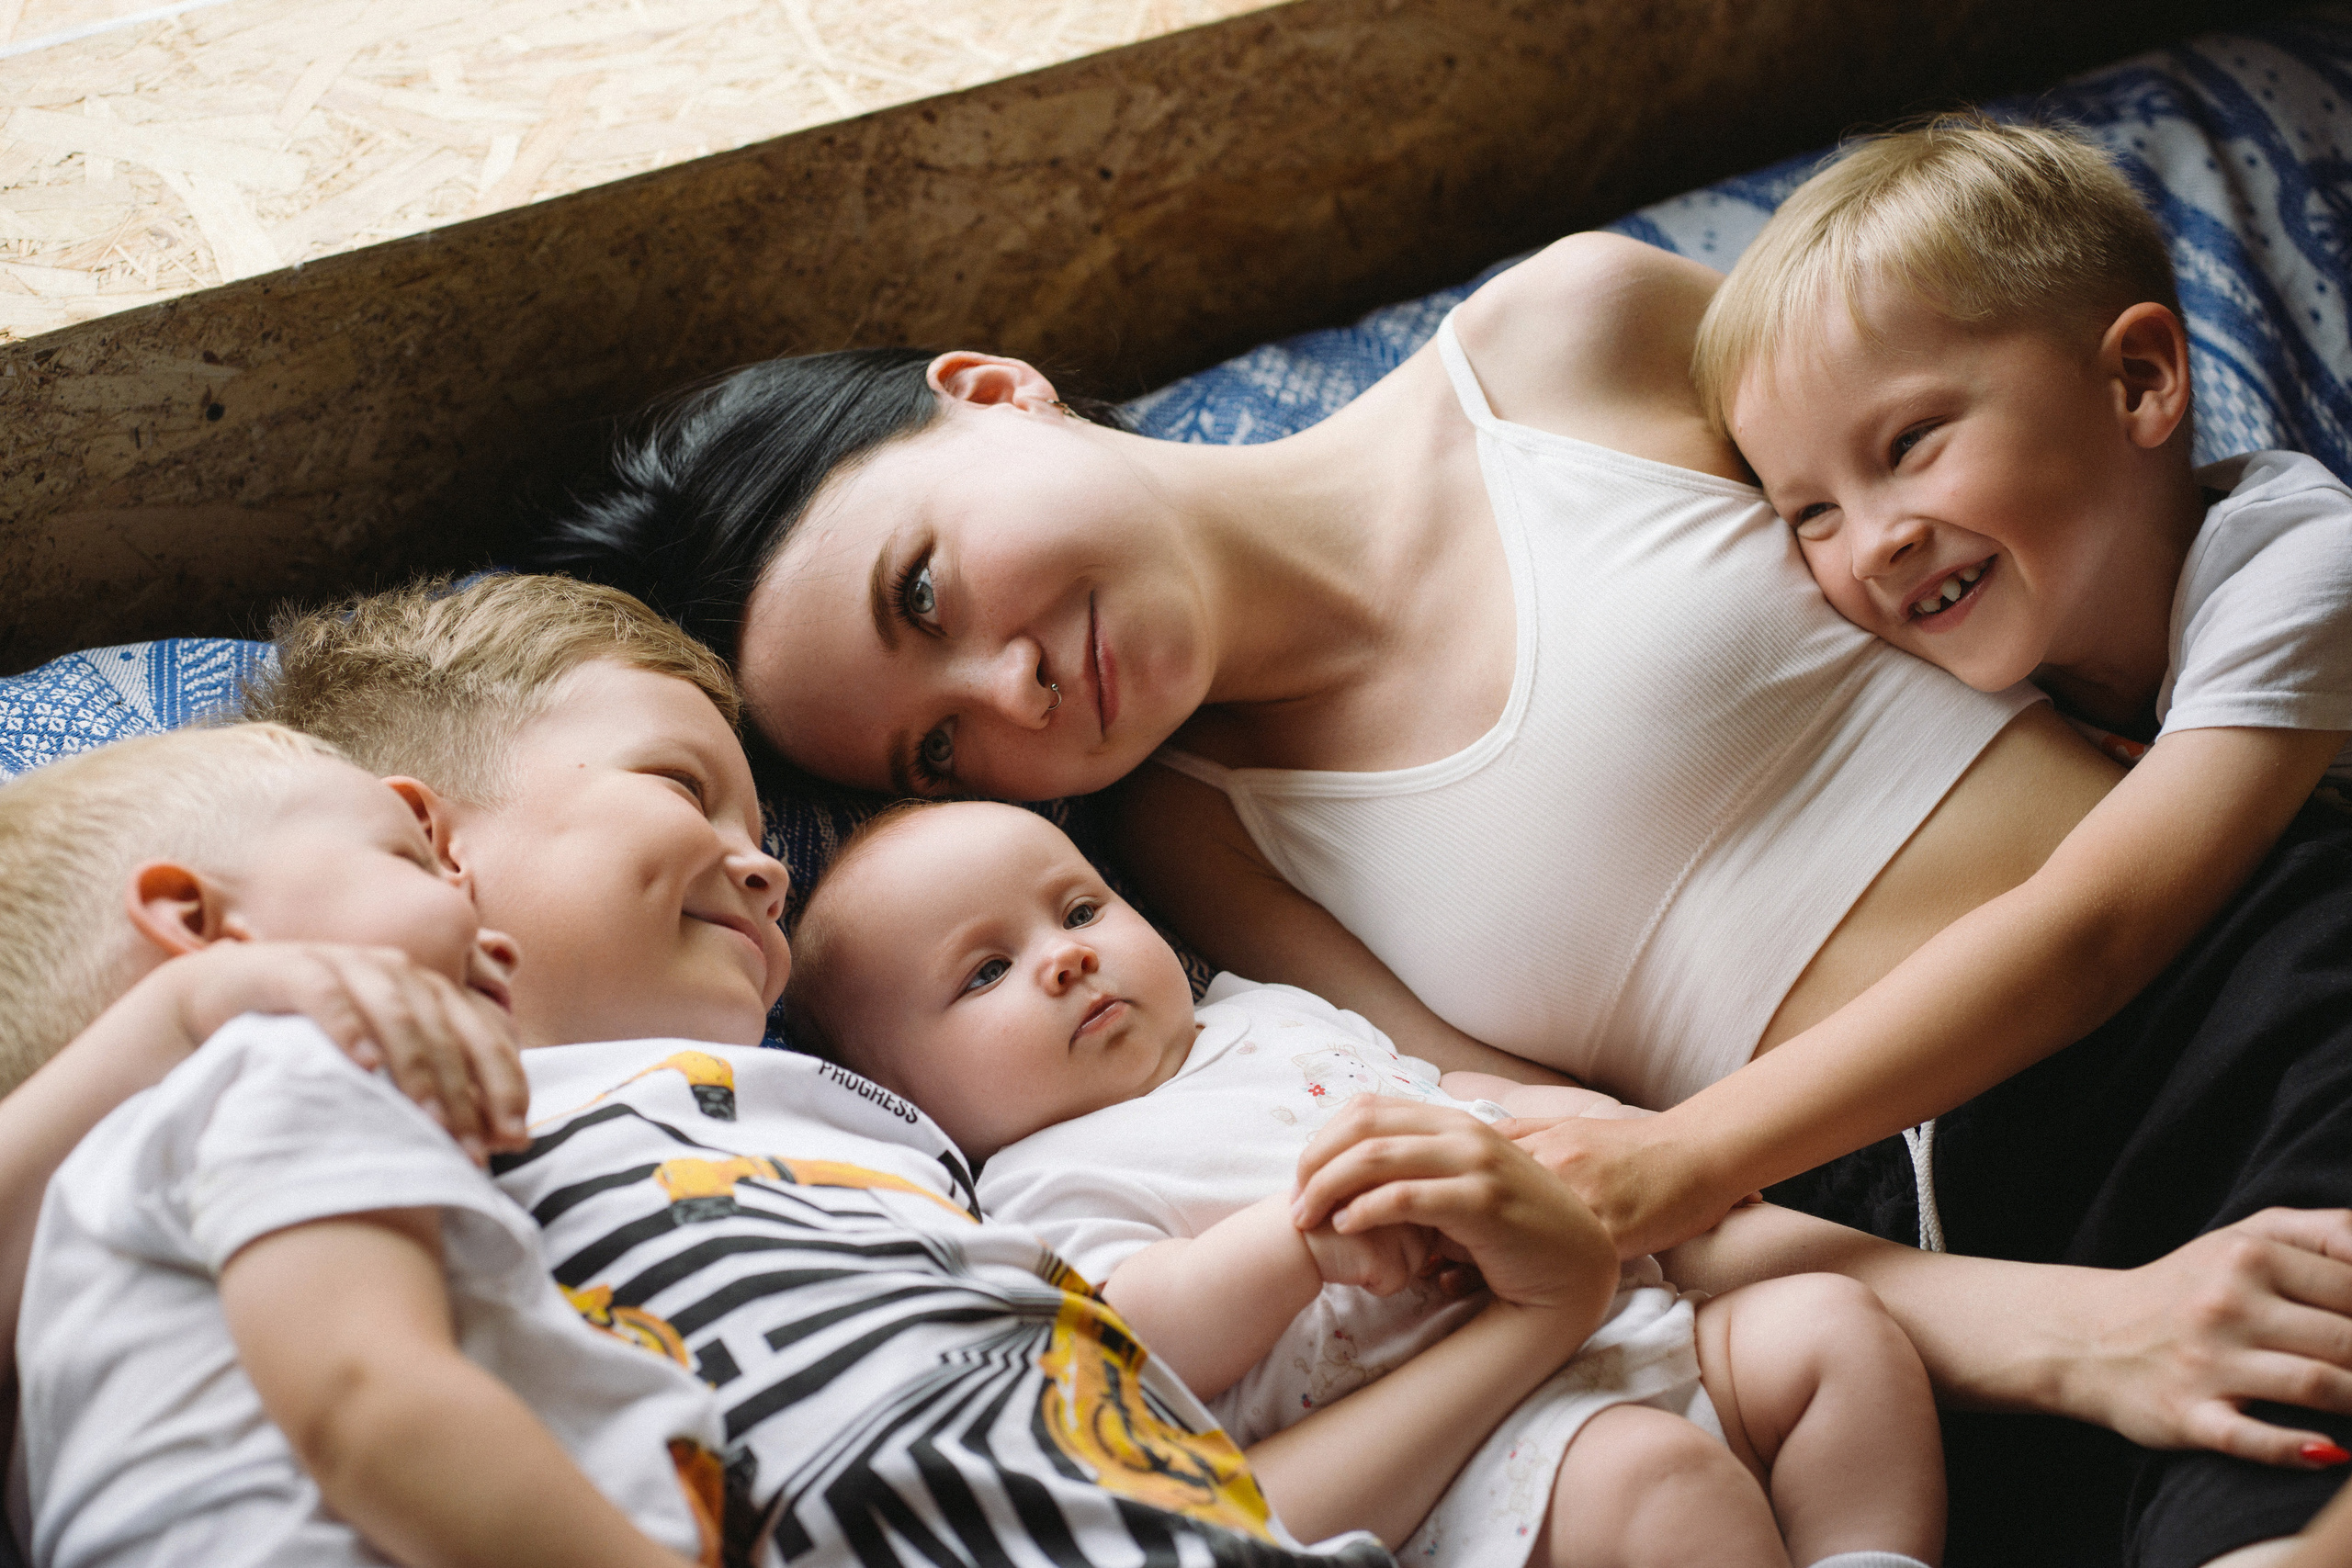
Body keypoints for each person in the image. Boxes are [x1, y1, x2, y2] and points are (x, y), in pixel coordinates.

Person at [529, 181, 2352, 1562]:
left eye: (921, 590)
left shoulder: (1570, 341)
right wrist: (2062, 1332)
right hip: (1968, 1233)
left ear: (992, 392)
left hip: (2258, 963)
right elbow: (1581, 1179)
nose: (1009, 692)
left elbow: (2055, 516)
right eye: (936, 749)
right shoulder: (1190, 858)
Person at [782, 796, 1946, 1568]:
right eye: (986, 971)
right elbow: (1141, 1341)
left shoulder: (1259, 1013)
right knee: (1663, 1480)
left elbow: (1441, 1087)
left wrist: (1611, 1125)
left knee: (1832, 1329)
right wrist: (1295, 1241)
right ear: (903, 1098)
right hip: (1475, 1455)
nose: (1067, 955)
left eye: (1080, 908)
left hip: (1633, 1328)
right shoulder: (1042, 1183)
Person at [0, 724, 726, 1568]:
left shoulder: (50, 1337)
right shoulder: (297, 1059)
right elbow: (372, 1408)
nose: (495, 935)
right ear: (203, 922)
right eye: (410, 862)